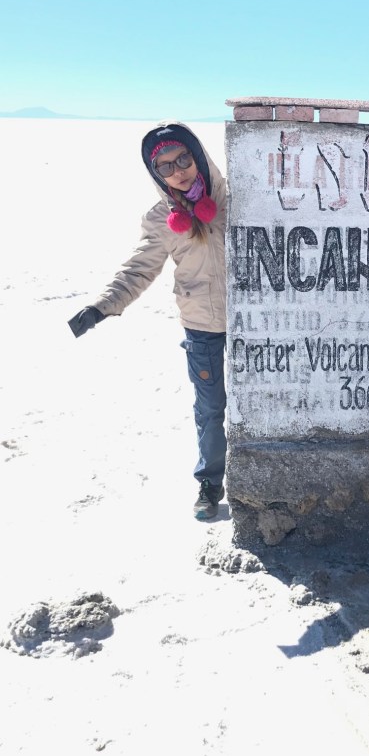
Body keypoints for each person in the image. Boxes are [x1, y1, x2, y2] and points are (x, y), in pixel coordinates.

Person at [68, 121, 228, 520]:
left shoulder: (235, 198)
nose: (178, 171)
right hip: (202, 326)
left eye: (183, 159)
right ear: (156, 174)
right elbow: (138, 269)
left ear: (198, 156)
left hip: (255, 325)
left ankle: (258, 477)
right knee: (210, 410)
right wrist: (102, 306)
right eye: (165, 166)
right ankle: (210, 483)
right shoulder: (161, 220)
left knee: (260, 404)